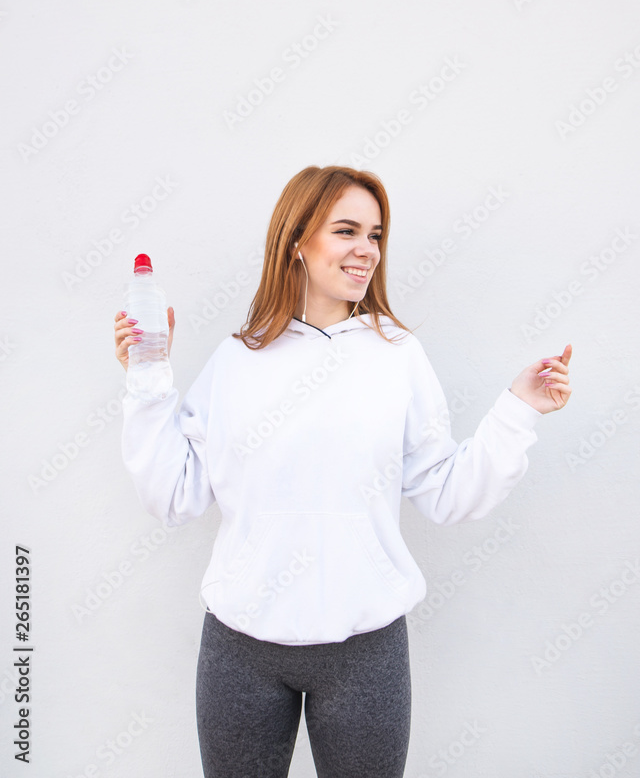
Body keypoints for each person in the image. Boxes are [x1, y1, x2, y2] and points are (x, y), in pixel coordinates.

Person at [113, 164, 572, 778]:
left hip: (365, 653)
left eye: (376, 235)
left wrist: (518, 410)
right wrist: (147, 380)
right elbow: (175, 495)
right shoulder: (236, 359)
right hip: (241, 649)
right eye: (347, 230)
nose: (367, 250)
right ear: (297, 241)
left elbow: (448, 493)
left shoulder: (398, 356)